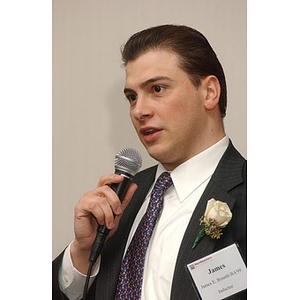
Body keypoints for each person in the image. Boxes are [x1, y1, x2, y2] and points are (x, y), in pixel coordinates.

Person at [53, 24, 247, 300]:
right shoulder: (124, 197)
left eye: (157, 89)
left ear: (209, 92)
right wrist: (83, 253)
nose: (139, 110)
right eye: (132, 97)